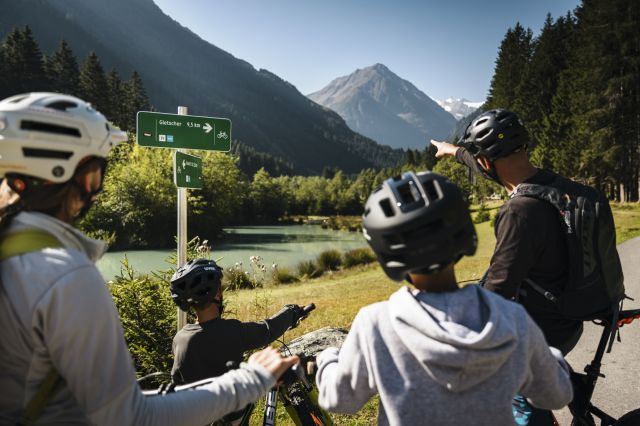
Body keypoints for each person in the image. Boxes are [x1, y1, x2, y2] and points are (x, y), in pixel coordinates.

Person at [0, 92, 298, 425]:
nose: (97, 188)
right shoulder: (65, 276)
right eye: (97, 172)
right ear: (78, 175)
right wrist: (252, 379)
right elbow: (131, 418)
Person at [314, 171, 573, 425]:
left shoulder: (375, 325)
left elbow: (340, 399)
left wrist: (327, 359)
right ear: (464, 234)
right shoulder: (513, 320)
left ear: (388, 257)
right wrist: (551, 358)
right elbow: (556, 395)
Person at [431, 109, 583, 356]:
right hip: (569, 325)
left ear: (486, 162)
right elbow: (493, 169)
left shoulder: (519, 212)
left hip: (537, 336)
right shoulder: (555, 187)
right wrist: (453, 150)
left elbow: (496, 293)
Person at [170, 258, 306, 385]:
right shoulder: (232, 331)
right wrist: (291, 312)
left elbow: (177, 379)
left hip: (195, 409)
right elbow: (267, 330)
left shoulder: (180, 339)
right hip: (234, 407)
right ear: (218, 293)